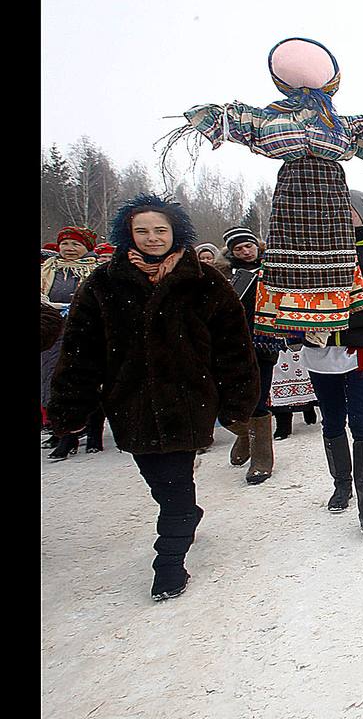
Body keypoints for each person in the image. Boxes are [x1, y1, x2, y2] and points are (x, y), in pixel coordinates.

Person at [48, 194, 259, 600]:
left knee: (176, 482)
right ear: (127, 234)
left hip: (189, 399)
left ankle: (169, 564)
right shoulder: (104, 283)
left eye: (160, 230)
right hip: (131, 403)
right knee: (159, 481)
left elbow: (234, 346)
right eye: (142, 230)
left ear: (175, 232)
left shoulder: (204, 280)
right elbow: (80, 350)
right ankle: (186, 514)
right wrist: (71, 406)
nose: (152, 238)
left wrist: (237, 400)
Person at [306, 190, 363, 534]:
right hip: (319, 353)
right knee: (331, 420)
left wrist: (338, 320)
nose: (340, 215)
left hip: (361, 352)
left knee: (362, 422)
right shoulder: (313, 252)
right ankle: (341, 485)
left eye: (347, 210)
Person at [217, 226, 281, 484]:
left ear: (257, 245)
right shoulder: (222, 274)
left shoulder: (273, 269)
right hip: (230, 346)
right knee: (226, 403)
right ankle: (245, 434)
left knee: (259, 399)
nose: (245, 251)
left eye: (248, 246)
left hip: (264, 342)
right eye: (238, 248)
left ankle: (262, 459)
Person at [40, 226, 101, 459]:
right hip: (51, 332)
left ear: (87, 247)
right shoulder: (48, 269)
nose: (69, 248)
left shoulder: (96, 271)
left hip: (85, 332)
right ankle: (62, 430)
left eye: (76, 244)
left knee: (81, 382)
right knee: (51, 381)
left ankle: (89, 432)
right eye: (65, 244)